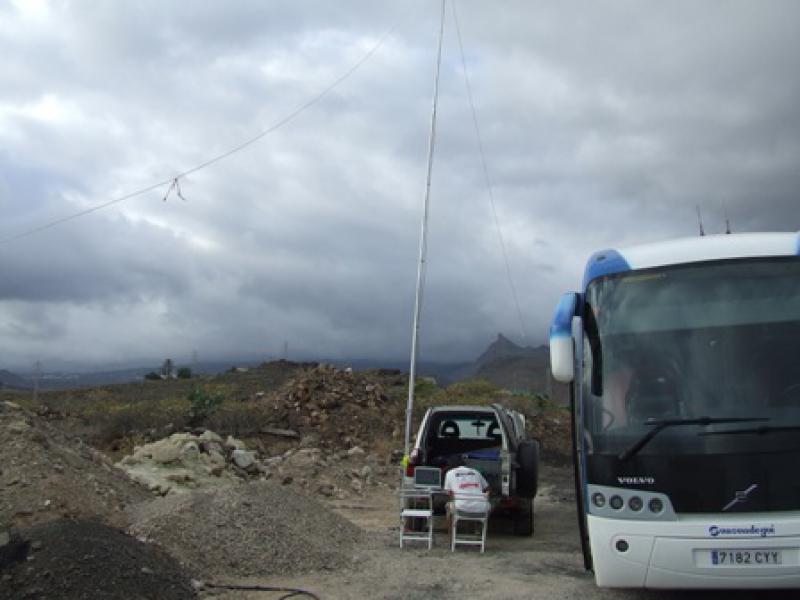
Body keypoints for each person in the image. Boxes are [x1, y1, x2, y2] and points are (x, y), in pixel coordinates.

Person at [443, 465, 491, 539]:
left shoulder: (449, 473)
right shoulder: (476, 472)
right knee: (487, 506)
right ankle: (479, 533)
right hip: (481, 511)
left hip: (460, 510)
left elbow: (449, 493)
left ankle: (451, 538)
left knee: (447, 506)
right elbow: (488, 488)